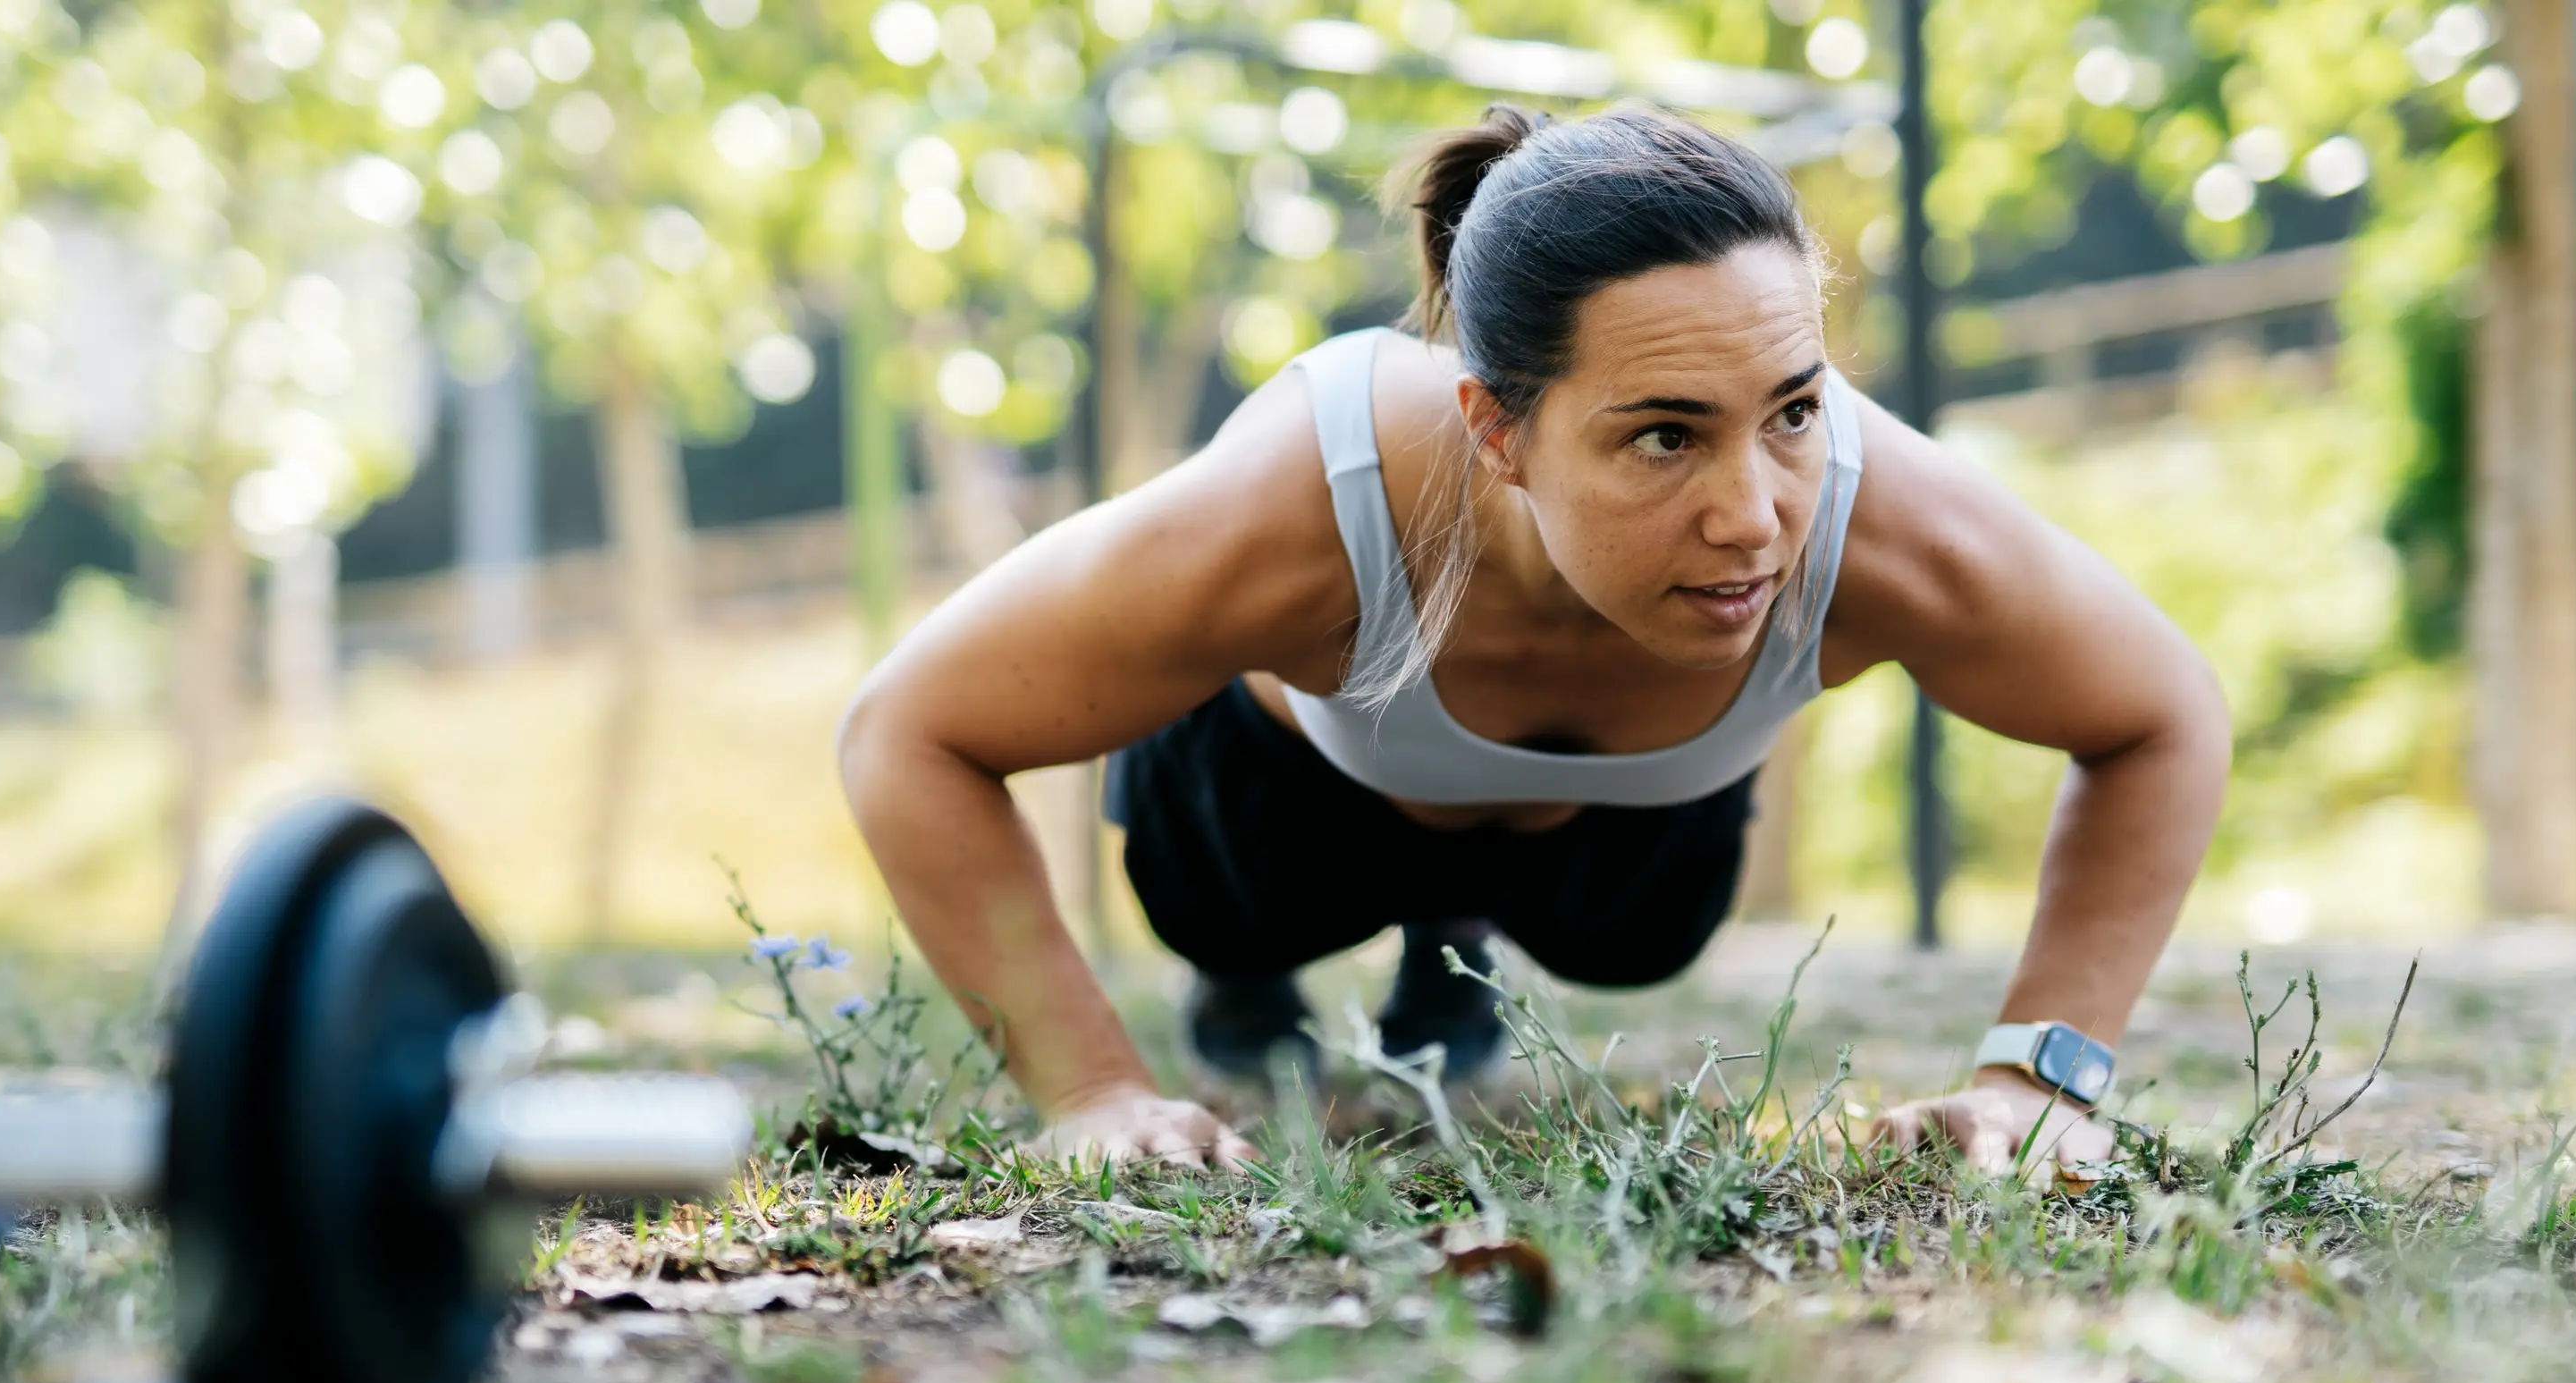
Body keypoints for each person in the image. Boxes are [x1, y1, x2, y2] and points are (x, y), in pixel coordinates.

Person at [838, 104, 2229, 1170]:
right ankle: (1252, 976)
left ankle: (1455, 940)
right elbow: (907, 730)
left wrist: (2039, 1081)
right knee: (1228, 912)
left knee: (1638, 938)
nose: (1755, 517)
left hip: (1611, 848)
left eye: (1795, 411)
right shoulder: (1297, 503)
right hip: (1289, 818)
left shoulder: (1892, 529)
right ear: (1496, 431)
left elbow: (2161, 716)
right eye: (1666, 436)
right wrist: (1091, 1092)